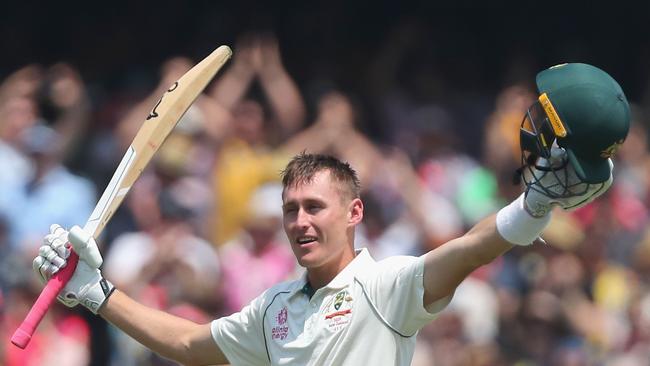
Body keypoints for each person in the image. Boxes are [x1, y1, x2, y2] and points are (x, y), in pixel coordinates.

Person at [32, 63, 630, 365]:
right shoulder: (274, 309)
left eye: (314, 207)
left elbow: (472, 246)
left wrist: (533, 208)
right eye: (291, 209)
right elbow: (188, 343)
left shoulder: (387, 287)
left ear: (355, 213)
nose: (299, 222)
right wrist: (96, 291)